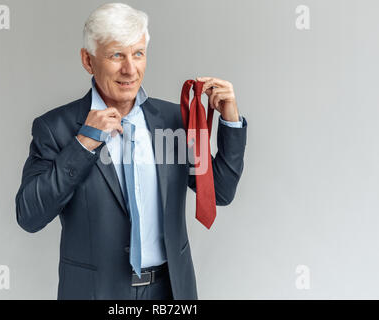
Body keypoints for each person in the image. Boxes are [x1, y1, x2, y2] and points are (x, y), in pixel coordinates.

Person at [15, 2, 247, 300]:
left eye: (138, 54)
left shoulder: (174, 120)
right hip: (95, 293)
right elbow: (29, 216)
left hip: (170, 291)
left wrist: (230, 120)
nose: (130, 69)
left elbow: (219, 194)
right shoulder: (55, 128)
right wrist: (82, 143)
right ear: (88, 60)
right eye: (116, 55)